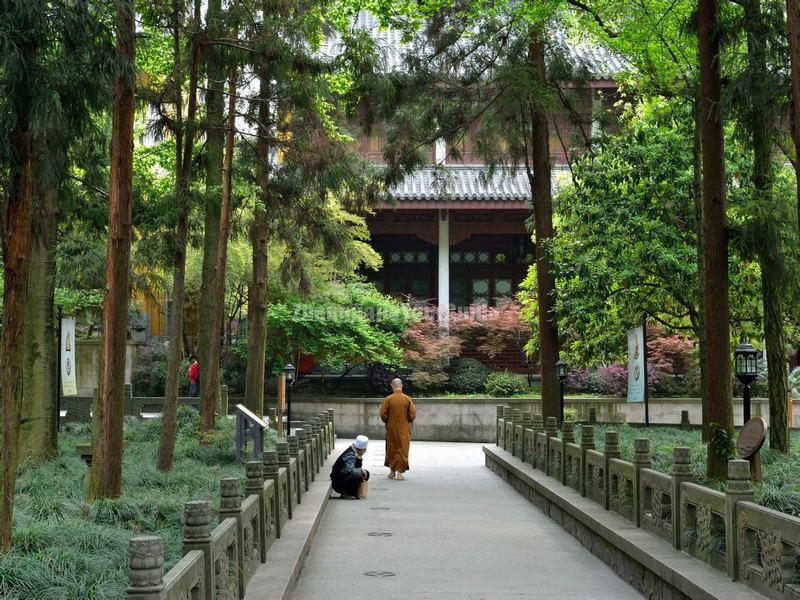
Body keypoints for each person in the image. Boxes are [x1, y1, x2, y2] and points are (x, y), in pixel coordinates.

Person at [380, 378, 416, 480]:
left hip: (391, 429)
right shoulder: (407, 399)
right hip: (403, 429)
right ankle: (400, 473)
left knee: (391, 449)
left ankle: (392, 472)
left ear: (392, 386)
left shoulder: (388, 399)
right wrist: (406, 419)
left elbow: (383, 414)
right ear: (402, 386)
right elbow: (412, 415)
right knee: (402, 450)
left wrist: (388, 420)